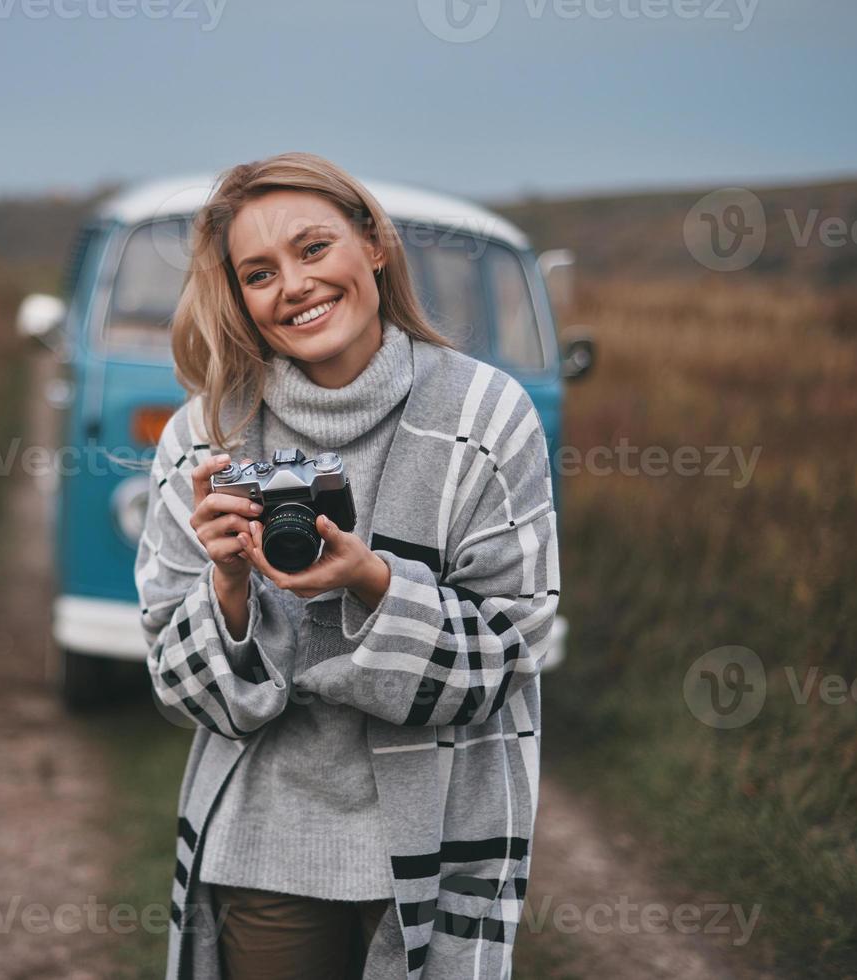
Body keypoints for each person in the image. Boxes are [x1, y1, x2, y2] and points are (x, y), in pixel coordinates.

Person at [135, 151, 561, 980]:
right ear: (240, 297)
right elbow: (175, 681)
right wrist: (225, 587)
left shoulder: (485, 416)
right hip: (263, 839)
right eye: (258, 272)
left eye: (312, 248)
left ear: (373, 245)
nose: (292, 285)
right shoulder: (205, 436)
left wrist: (370, 583)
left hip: (442, 833)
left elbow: (512, 648)